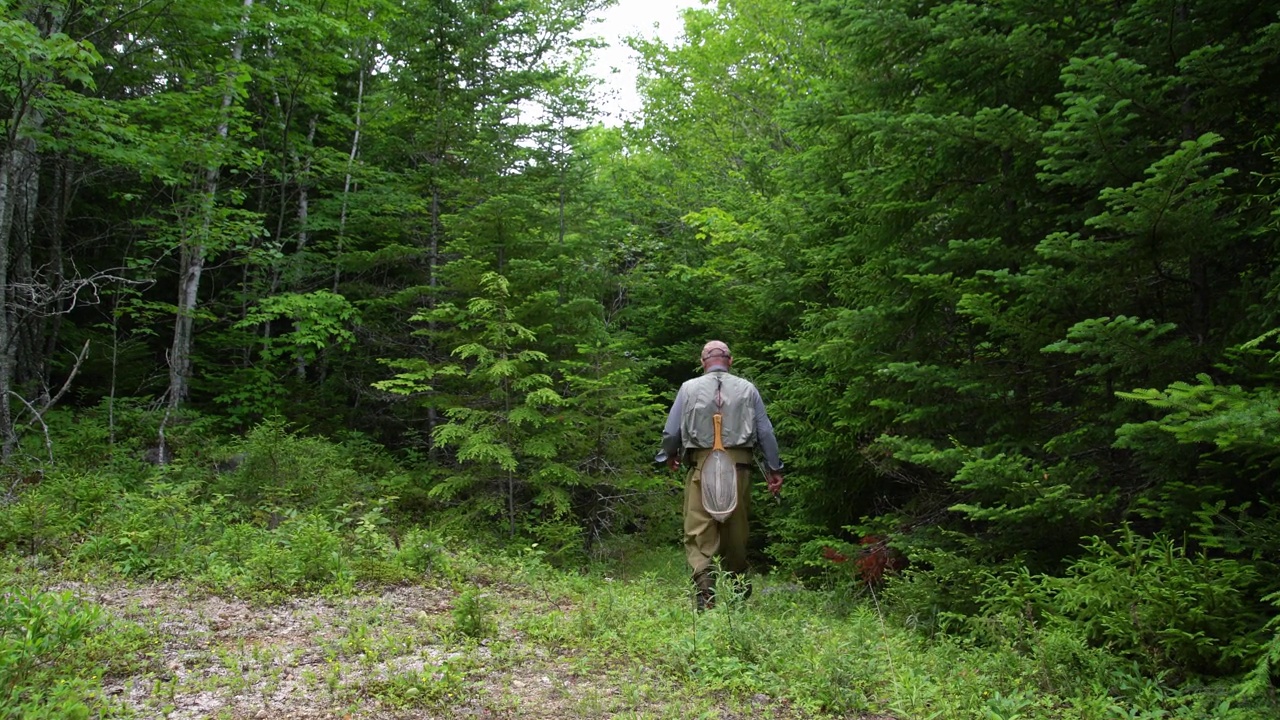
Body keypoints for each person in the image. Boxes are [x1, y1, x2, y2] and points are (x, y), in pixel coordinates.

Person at [656, 340, 784, 609]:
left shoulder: (688, 388)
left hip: (701, 466)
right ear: (730, 360)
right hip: (740, 468)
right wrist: (774, 469)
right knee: (737, 530)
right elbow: (766, 432)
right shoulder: (748, 389)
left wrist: (669, 454)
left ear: (703, 361)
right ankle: (738, 592)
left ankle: (705, 595)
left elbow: (671, 433)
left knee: (699, 529)